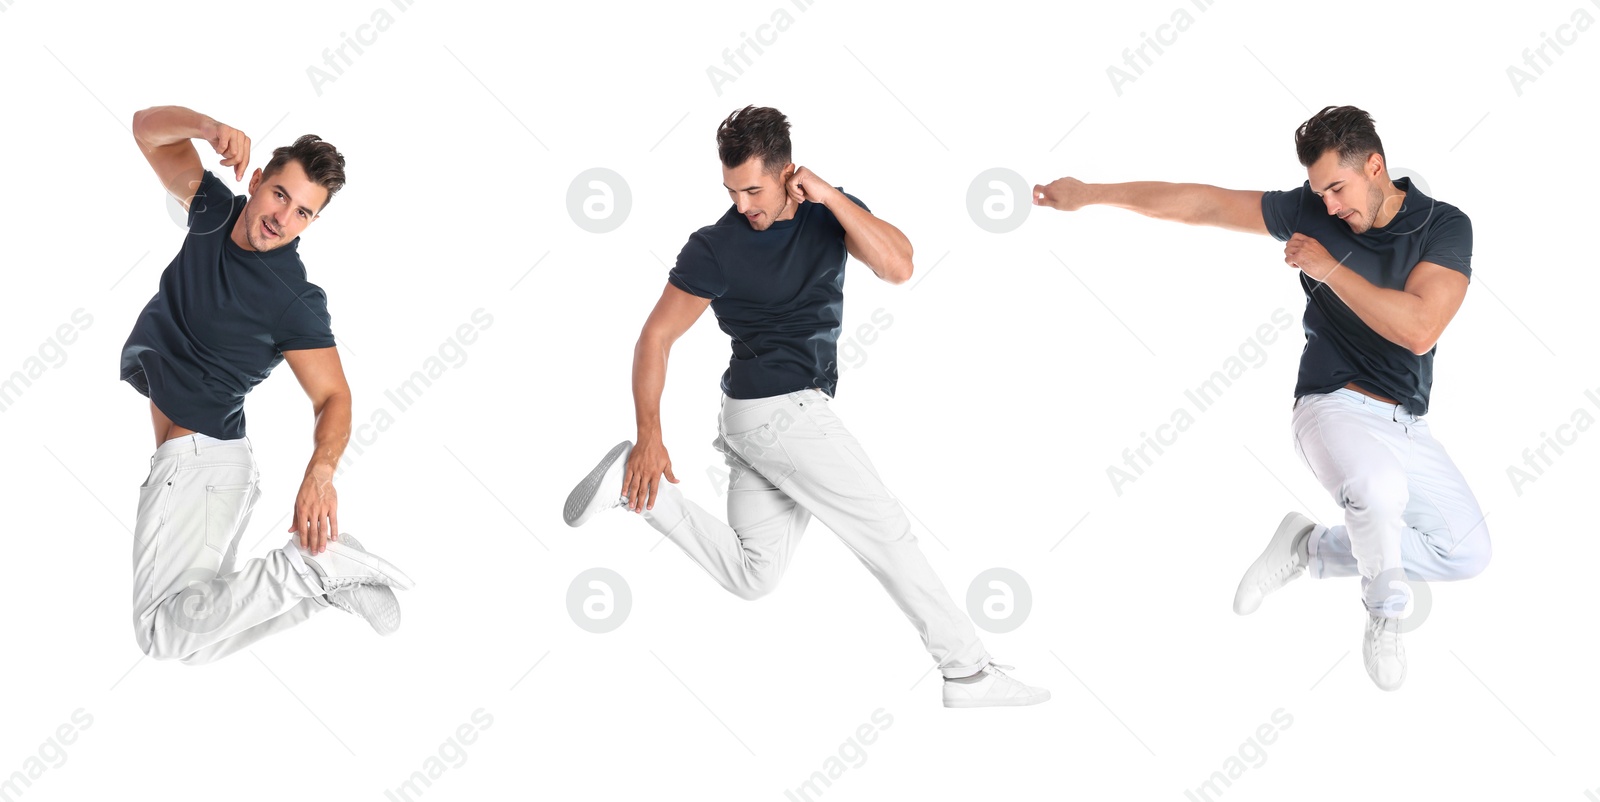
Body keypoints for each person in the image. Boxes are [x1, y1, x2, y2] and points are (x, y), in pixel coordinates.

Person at [565, 105, 1049, 708]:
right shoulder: (714, 247)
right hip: (779, 411)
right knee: (886, 530)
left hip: (757, 419)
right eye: (731, 191)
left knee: (753, 575)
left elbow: (899, 265)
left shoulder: (826, 212)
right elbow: (654, 338)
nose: (743, 205)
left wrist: (827, 196)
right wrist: (649, 435)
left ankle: (642, 495)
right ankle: (968, 673)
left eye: (753, 189)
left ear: (787, 172)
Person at [1033, 105, 1490, 691]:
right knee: (1379, 491)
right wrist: (1091, 193)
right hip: (1331, 406)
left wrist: (1327, 268)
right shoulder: (1306, 208)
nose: (1327, 205)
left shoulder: (1444, 225)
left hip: (1405, 424)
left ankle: (1311, 548)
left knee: (1466, 552)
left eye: (1337, 188)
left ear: (1376, 166)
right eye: (1317, 191)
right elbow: (1204, 202)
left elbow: (1420, 327)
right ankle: (1385, 612)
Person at [121, 105, 412, 665]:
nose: (283, 217)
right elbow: (145, 130)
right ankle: (325, 584)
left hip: (200, 462)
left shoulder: (293, 300)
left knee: (162, 633)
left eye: (303, 211)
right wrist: (207, 129)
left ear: (311, 223)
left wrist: (321, 473)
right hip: (216, 467)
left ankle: (308, 566)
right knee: (194, 640)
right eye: (280, 195)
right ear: (256, 181)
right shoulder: (210, 212)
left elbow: (335, 397)